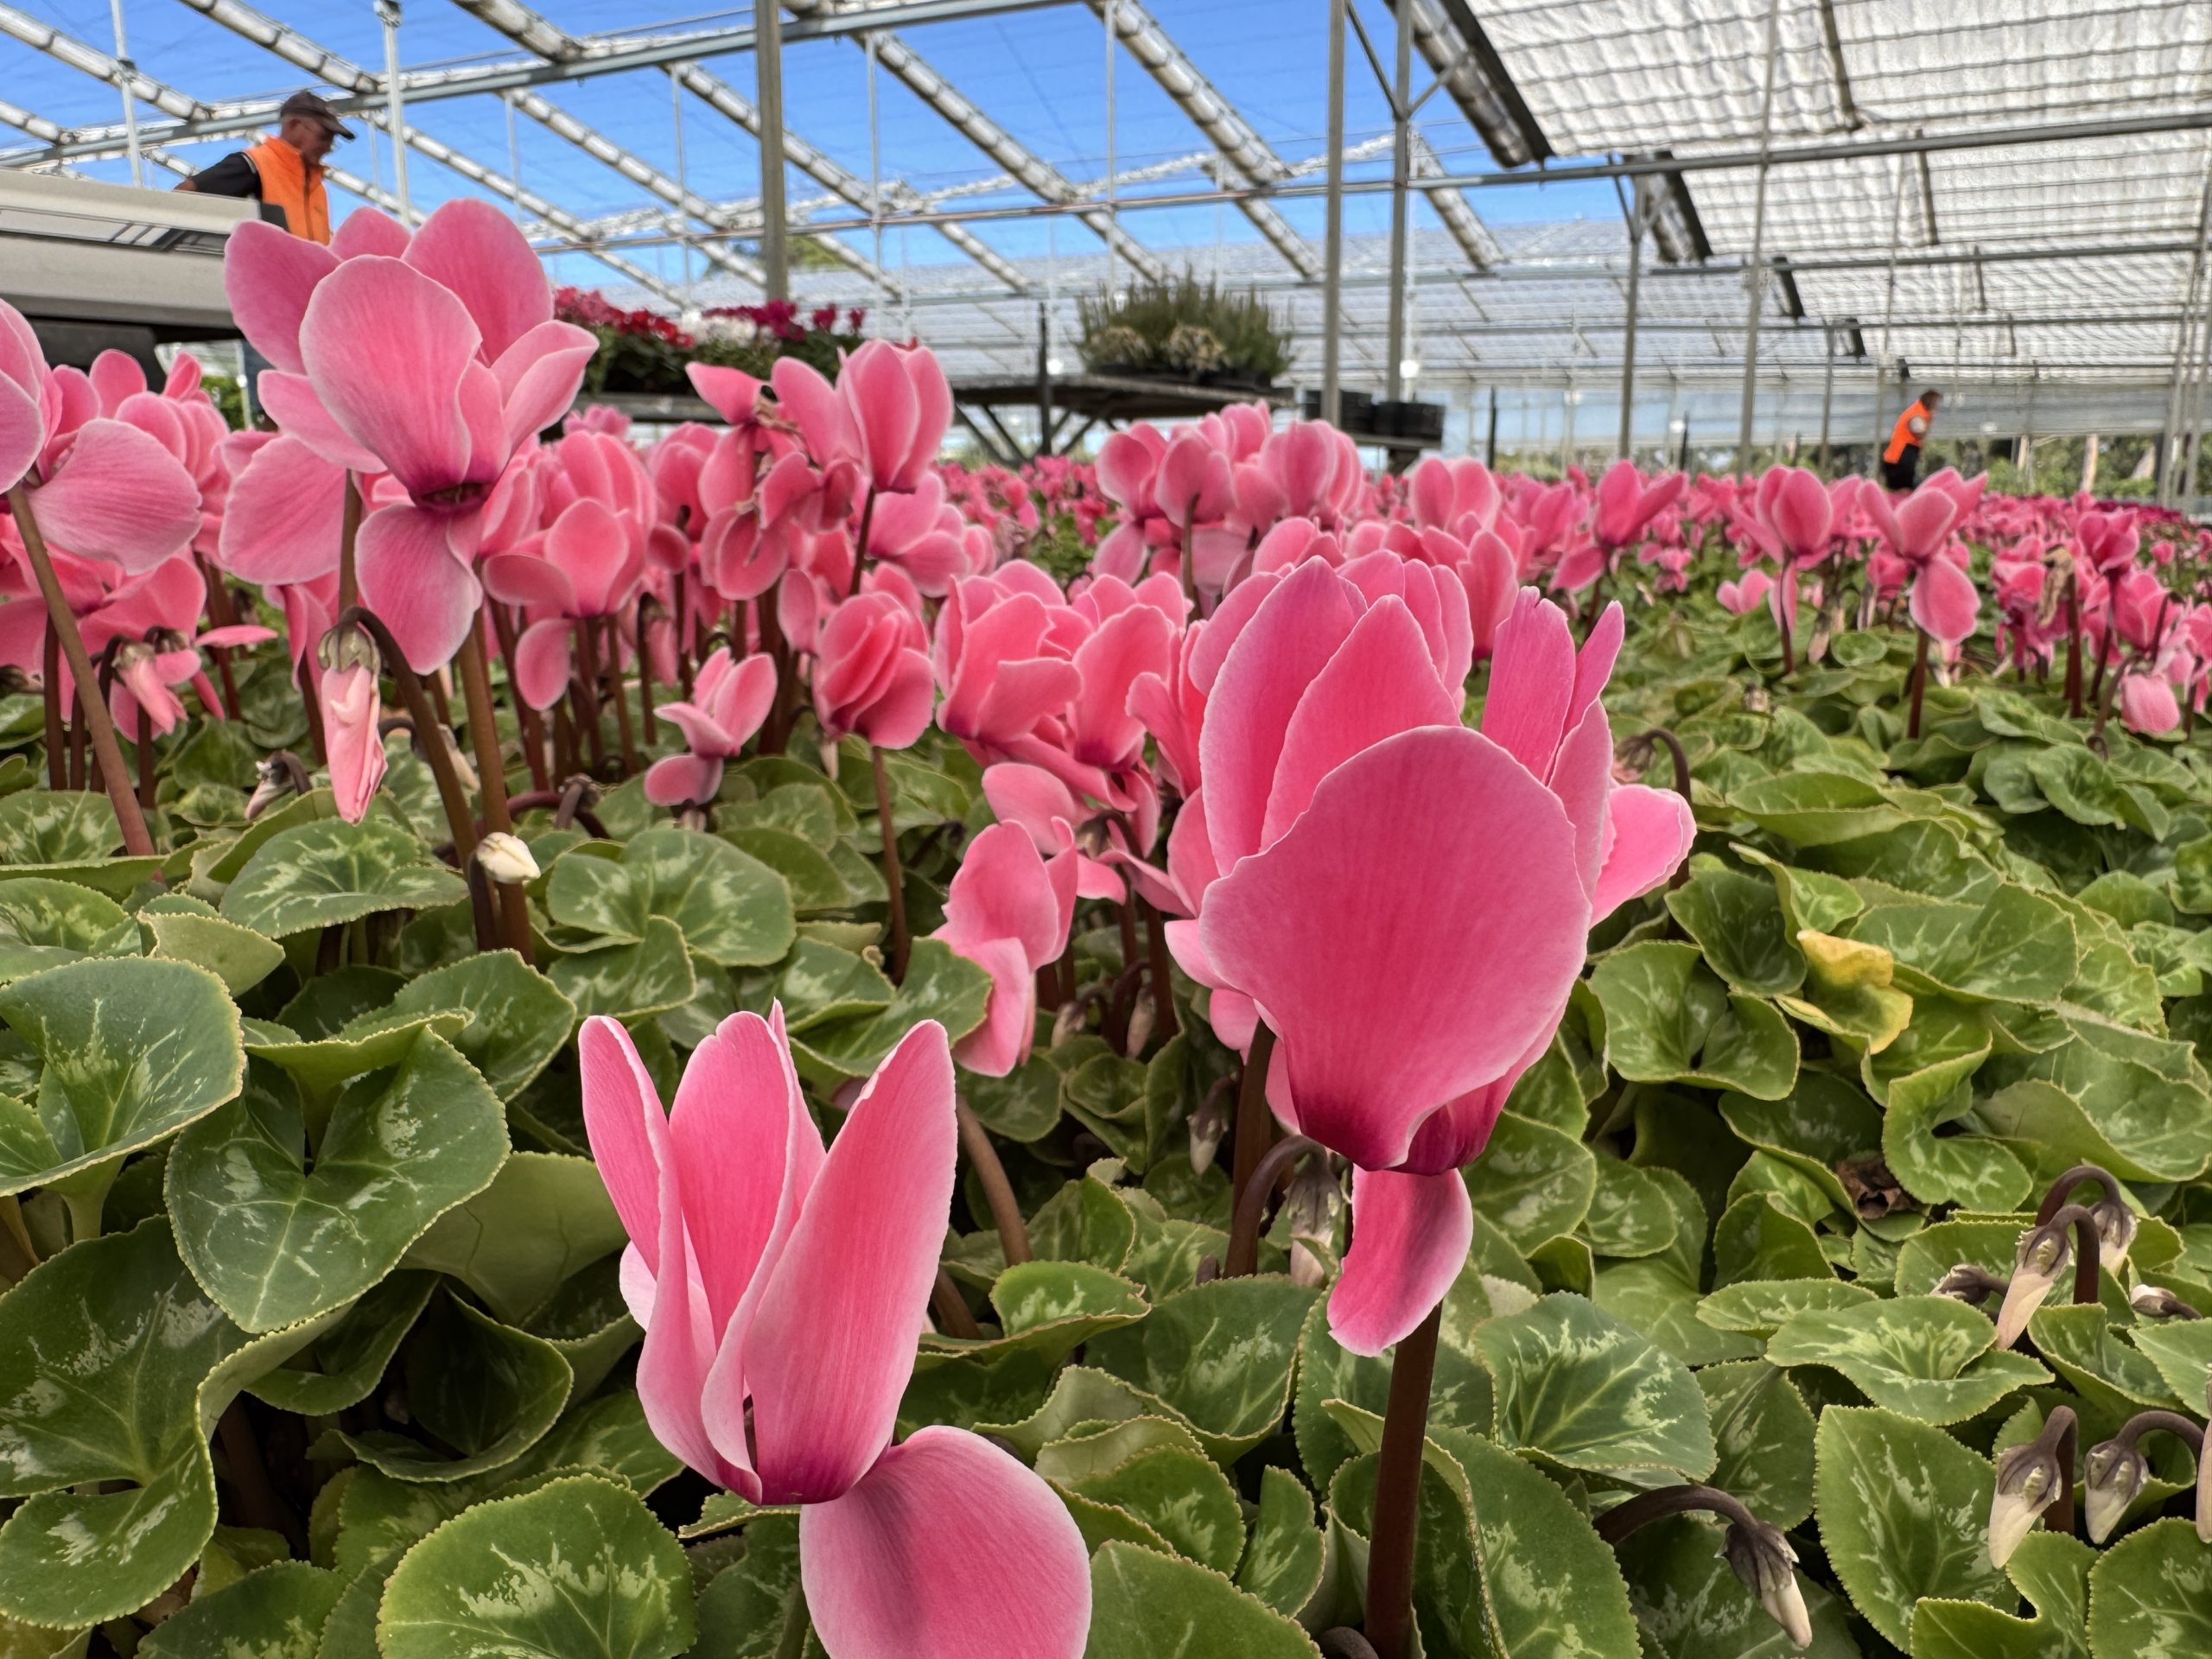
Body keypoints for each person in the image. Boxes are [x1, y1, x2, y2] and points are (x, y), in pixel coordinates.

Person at [171, 90, 352, 245]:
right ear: (294, 125)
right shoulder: (253, 165)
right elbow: (183, 197)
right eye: (323, 137)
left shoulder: (316, 186)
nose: (328, 147)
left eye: (332, 141)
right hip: (266, 282)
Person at [1882, 387, 1942, 492]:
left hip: (1898, 458)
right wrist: (1930, 422)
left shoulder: (1917, 412)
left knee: (1909, 486)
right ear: (1930, 402)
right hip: (1900, 458)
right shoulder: (1916, 414)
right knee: (1908, 487)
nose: (1937, 408)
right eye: (1936, 404)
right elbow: (1919, 433)